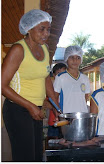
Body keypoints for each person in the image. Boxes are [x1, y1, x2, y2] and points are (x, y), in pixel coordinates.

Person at [1, 9, 59, 161]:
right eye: (42, 29)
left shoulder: (45, 49)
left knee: (36, 156)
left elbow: (45, 77)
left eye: (48, 29)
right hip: (17, 110)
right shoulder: (18, 49)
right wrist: (30, 106)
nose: (46, 34)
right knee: (25, 157)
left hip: (35, 109)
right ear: (29, 28)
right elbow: (2, 85)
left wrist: (55, 104)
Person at [53, 45, 90, 113]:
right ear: (66, 58)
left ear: (81, 60)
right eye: (71, 57)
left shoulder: (85, 78)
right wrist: (57, 113)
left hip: (82, 116)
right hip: (66, 116)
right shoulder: (60, 77)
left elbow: (85, 98)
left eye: (78, 58)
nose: (75, 60)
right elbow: (55, 98)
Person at [47, 63, 67, 139]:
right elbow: (48, 103)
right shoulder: (51, 89)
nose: (62, 76)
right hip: (53, 122)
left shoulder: (68, 89)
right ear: (55, 75)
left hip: (64, 121)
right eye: (59, 73)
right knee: (52, 142)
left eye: (64, 73)